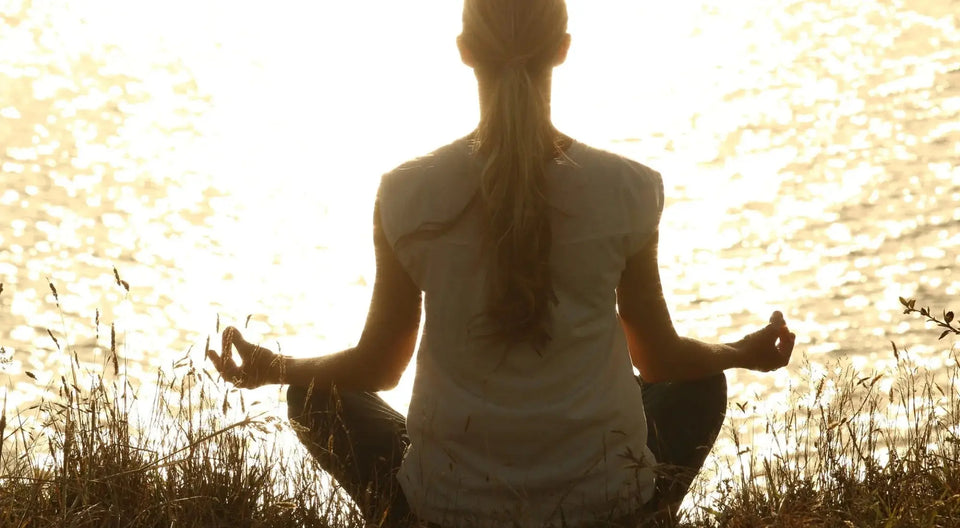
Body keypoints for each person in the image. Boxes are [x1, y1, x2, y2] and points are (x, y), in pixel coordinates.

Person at [205, 0, 796, 526]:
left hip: (449, 507)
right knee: (698, 385)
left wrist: (274, 366)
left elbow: (379, 367)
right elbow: (659, 358)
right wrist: (740, 354)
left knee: (312, 396)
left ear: (464, 52)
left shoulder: (406, 193)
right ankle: (640, 516)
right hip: (603, 501)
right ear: (563, 50)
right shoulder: (629, 188)